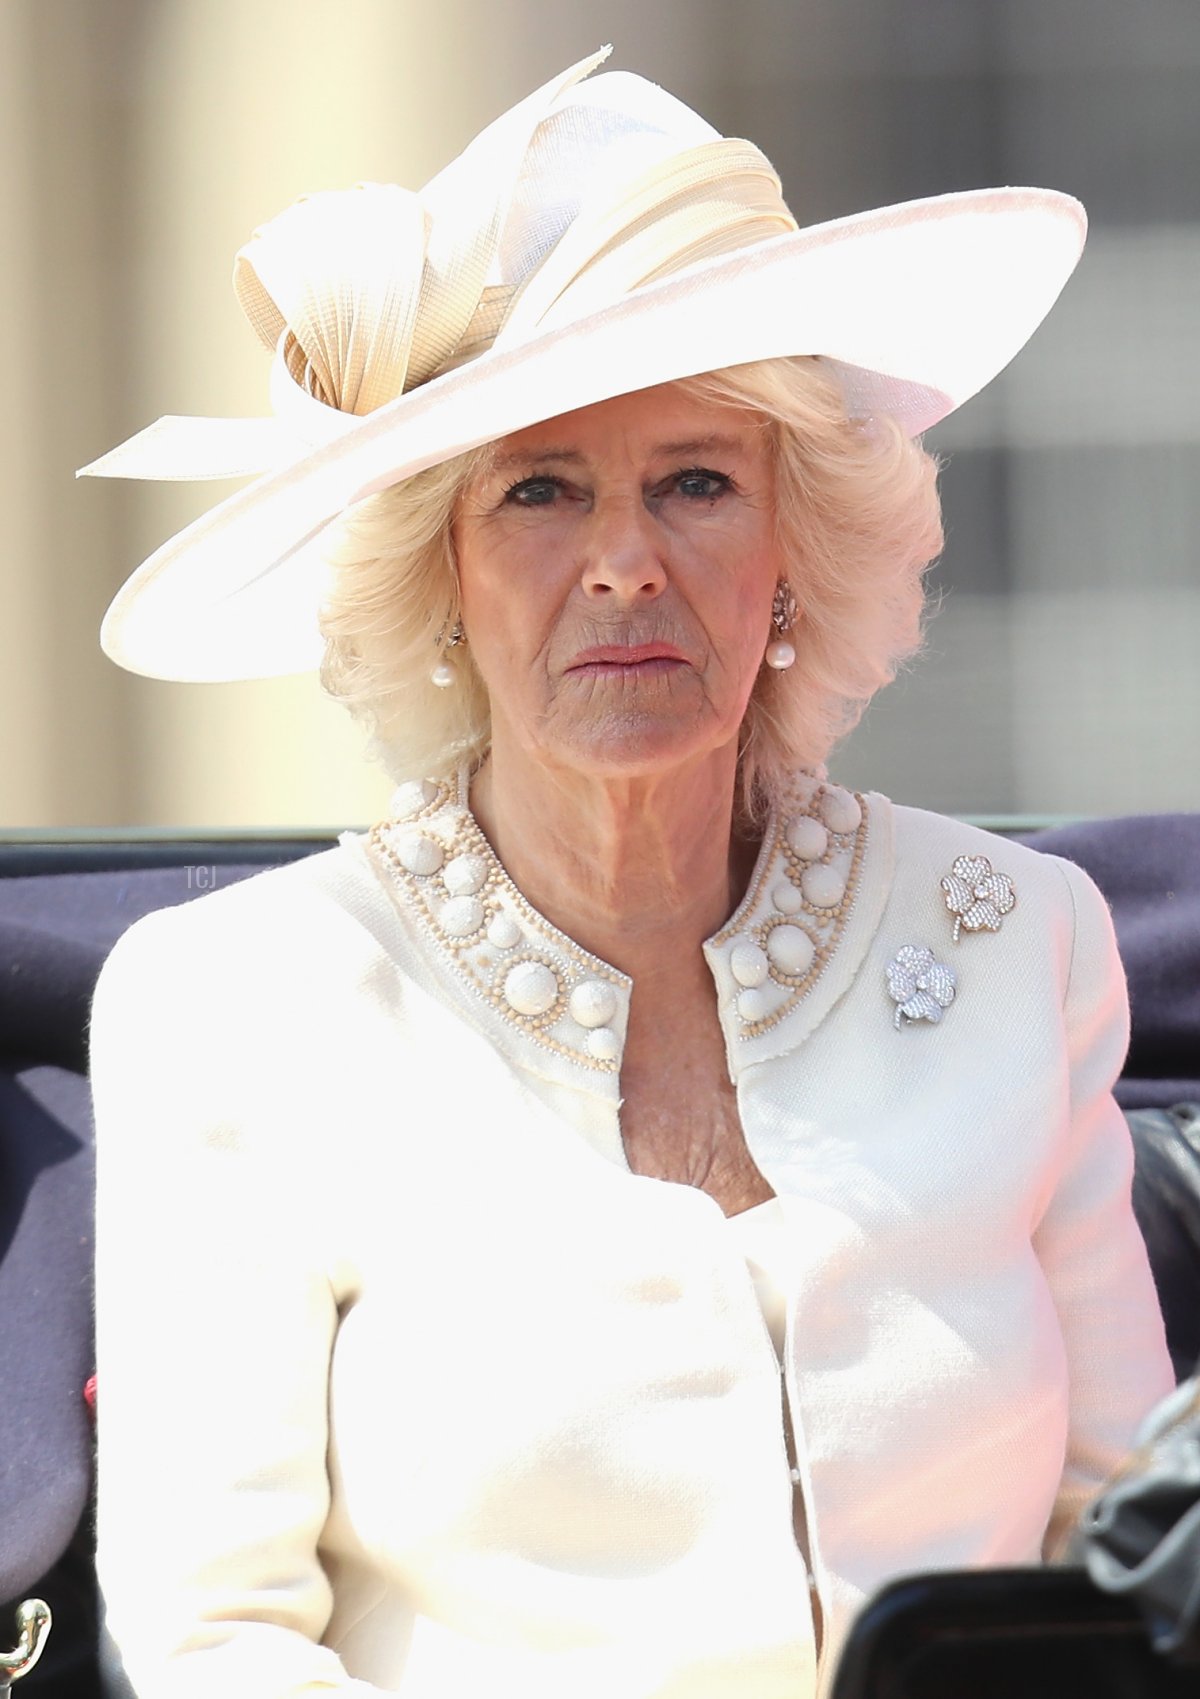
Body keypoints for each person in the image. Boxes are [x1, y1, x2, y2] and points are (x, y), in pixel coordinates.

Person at [82, 48, 1174, 1699]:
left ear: (792, 547)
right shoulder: (232, 1005)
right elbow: (210, 1647)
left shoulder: (1026, 942)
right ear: (440, 574)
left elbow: (1137, 1553)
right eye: (538, 490)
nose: (622, 561)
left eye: (695, 483)